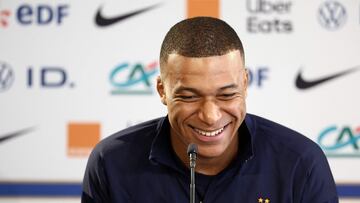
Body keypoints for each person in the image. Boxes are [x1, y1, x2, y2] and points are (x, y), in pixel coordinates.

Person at [82, 17, 338, 203]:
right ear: (162, 91)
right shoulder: (111, 163)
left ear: (246, 84)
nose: (210, 116)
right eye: (190, 97)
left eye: (226, 95)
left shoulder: (300, 163)